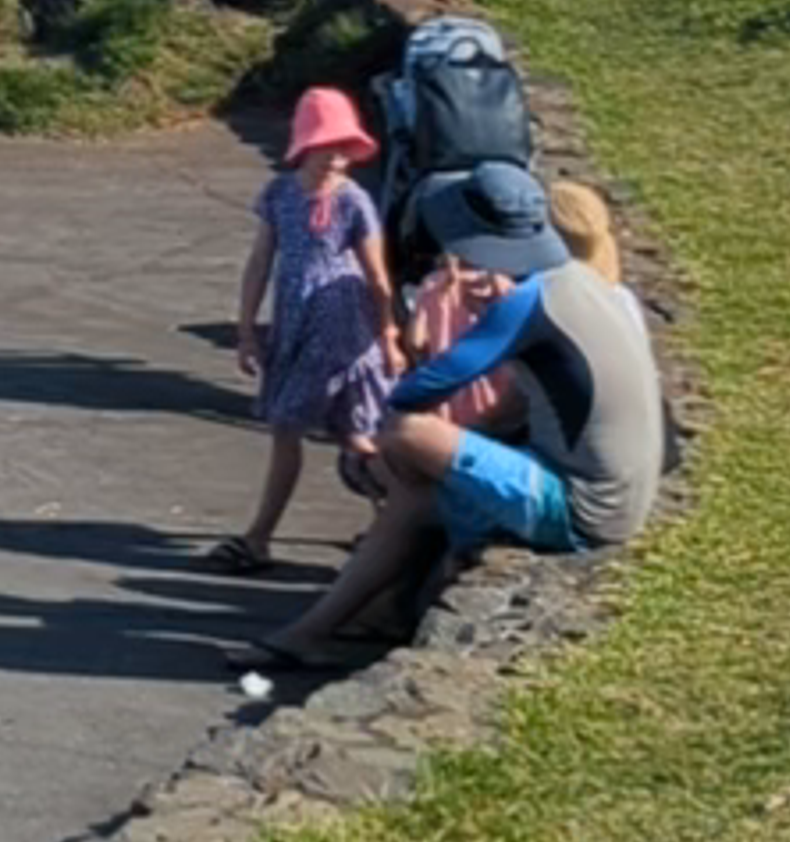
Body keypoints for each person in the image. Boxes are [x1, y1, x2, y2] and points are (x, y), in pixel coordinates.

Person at [236, 168, 666, 685]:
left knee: (403, 433)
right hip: (620, 498)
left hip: (583, 507)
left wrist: (394, 458)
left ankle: (371, 598)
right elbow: (511, 409)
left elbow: (417, 396)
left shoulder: (527, 306)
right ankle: (315, 630)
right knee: (415, 502)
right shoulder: (578, 285)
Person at [213, 85, 398, 576]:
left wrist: (389, 336)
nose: (337, 159)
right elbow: (259, 264)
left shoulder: (354, 201)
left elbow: (378, 277)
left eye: (344, 148)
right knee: (339, 432)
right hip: (295, 327)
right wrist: (248, 329)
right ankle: (391, 526)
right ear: (304, 145)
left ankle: (262, 537)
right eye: (327, 147)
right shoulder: (280, 194)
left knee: (319, 429)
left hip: (340, 326)